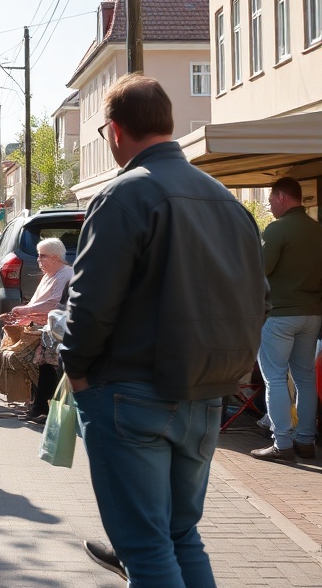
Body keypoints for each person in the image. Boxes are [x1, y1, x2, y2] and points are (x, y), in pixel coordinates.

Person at [60, 74, 266, 586]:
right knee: (181, 536)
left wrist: (76, 369)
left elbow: (90, 302)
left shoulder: (126, 194)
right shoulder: (226, 200)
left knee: (146, 547)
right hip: (204, 391)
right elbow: (259, 297)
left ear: (113, 132)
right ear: (168, 124)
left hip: (131, 391)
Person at [250, 177, 322, 463]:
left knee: (276, 378)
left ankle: (282, 443)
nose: (269, 206)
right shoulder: (318, 230)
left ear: (281, 197)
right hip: (312, 315)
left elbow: (260, 269)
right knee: (305, 379)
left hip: (279, 315)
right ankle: (306, 440)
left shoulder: (278, 230)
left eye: (269, 201)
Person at [0, 238, 73, 424]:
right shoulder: (49, 275)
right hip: (45, 330)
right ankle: (37, 404)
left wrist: (25, 311)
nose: (38, 260)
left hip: (58, 334)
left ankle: (42, 406)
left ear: (55, 258)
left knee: (39, 364)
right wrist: (21, 318)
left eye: (42, 256)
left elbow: (55, 304)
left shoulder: (66, 274)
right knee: (36, 363)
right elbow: (36, 305)